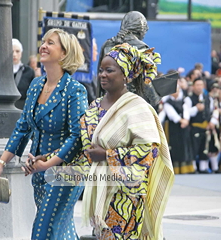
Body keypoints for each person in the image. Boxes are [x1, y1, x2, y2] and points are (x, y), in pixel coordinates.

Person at [0, 28, 88, 239]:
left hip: (66, 173)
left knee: (43, 230)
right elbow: (23, 127)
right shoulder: (35, 85)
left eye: (50, 43)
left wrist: (49, 162)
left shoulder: (75, 90)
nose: (43, 46)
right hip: (39, 173)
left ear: (64, 53)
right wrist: (0, 164)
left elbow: (76, 137)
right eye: (43, 41)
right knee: (61, 231)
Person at [76, 43, 174, 239]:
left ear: (126, 75)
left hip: (127, 194)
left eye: (109, 70)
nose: (102, 74)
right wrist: (50, 159)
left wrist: (107, 155)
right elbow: (84, 148)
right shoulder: (94, 106)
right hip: (100, 189)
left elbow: (149, 152)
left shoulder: (138, 108)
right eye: (101, 70)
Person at [97, 11, 162, 107]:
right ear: (140, 28)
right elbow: (145, 82)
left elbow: (100, 77)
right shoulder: (141, 48)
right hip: (131, 105)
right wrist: (156, 98)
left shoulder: (107, 44)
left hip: (108, 102)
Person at [163, 85, 194, 174]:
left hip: (183, 127)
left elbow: (186, 110)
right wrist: (181, 121)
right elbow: (172, 114)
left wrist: (186, 120)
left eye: (177, 90)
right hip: (174, 127)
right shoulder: (167, 102)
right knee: (175, 146)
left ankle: (186, 168)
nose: (176, 92)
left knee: (185, 145)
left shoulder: (183, 100)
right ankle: (176, 169)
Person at [12, 38, 35, 109]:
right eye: (12, 51)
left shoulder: (29, 71)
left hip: (23, 107)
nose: (14, 54)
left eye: (17, 51)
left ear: (21, 53)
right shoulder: (2, 71)